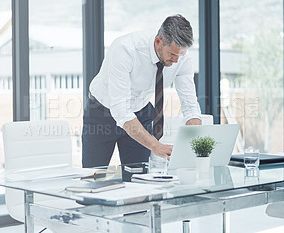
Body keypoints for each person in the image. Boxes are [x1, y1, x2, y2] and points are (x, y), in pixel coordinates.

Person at [82, 14, 202, 168]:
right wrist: (156, 146)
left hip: (140, 110)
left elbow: (190, 105)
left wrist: (196, 143)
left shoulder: (181, 59)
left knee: (139, 179)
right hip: (102, 113)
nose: (177, 60)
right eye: (172, 54)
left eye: (181, 54)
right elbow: (121, 110)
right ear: (158, 41)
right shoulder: (126, 48)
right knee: (93, 178)